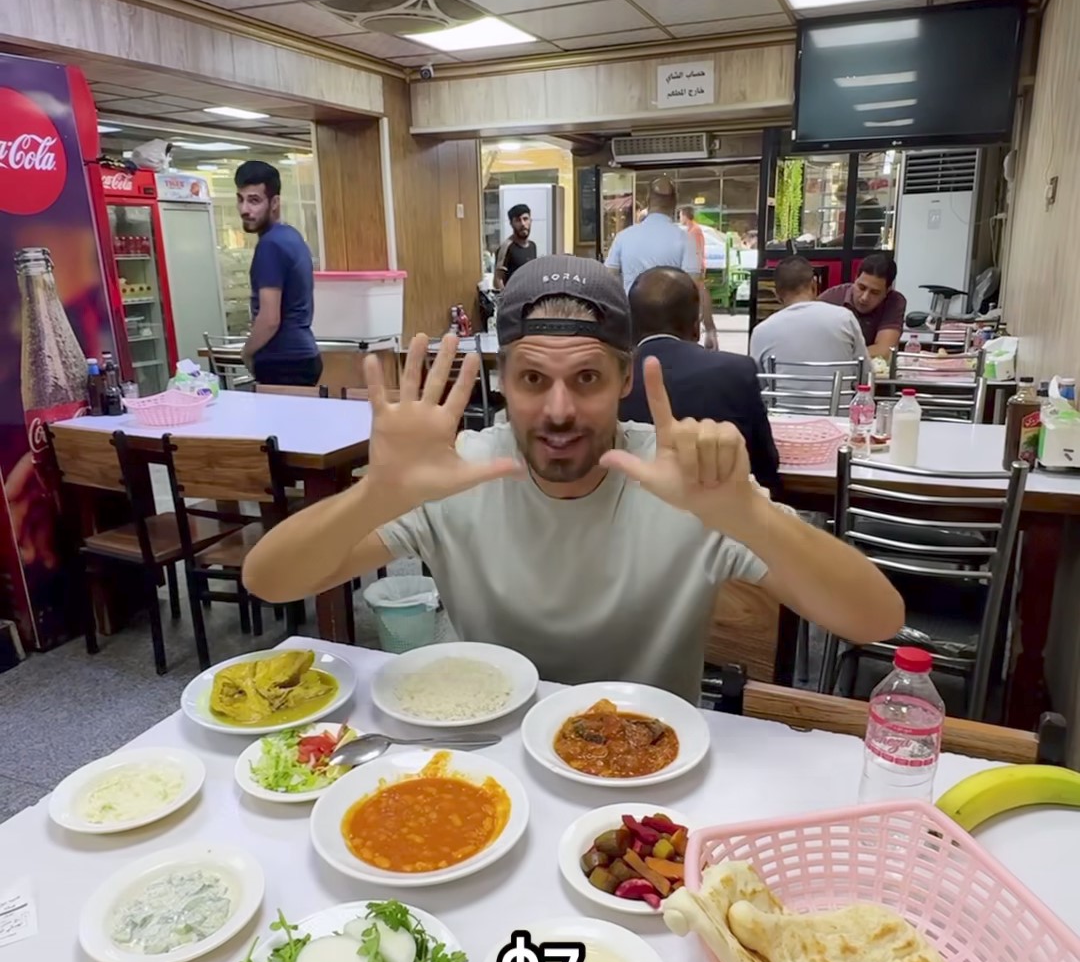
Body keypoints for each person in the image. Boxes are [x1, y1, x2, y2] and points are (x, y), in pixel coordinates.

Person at [243, 255, 902, 702]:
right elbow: (271, 581)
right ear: (503, 384)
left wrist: (747, 516)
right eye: (533, 379)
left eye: (586, 378)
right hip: (479, 753)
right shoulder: (460, 471)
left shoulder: (683, 482)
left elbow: (874, 619)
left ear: (624, 380)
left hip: (640, 779)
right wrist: (375, 495)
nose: (558, 410)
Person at [623, 267, 781, 498]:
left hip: (633, 515)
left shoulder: (610, 378)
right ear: (696, 327)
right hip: (724, 519)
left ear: (630, 327)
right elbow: (765, 464)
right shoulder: (736, 371)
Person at [234, 160, 321, 387]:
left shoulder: (270, 245)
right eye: (240, 199)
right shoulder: (291, 236)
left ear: (274, 202)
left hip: (283, 361)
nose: (245, 209)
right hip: (303, 356)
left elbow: (270, 319)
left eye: (254, 200)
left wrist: (247, 352)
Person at [607, 177, 718, 349]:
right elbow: (696, 286)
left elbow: (609, 280)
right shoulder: (684, 239)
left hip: (634, 324)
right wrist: (710, 329)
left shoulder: (624, 237)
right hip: (673, 327)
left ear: (647, 202)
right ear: (674, 204)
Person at [750, 257, 867, 370]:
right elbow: (865, 375)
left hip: (784, 390)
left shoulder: (761, 331)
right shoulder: (845, 318)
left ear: (777, 295)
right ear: (814, 286)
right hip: (836, 390)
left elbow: (758, 382)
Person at [820, 252, 908, 360]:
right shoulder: (830, 298)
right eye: (861, 287)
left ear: (887, 291)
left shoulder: (894, 301)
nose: (864, 298)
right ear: (855, 278)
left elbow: (884, 350)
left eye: (875, 292)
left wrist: (841, 356)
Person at [494, 204, 536, 290]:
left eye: (525, 219)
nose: (523, 224)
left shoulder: (532, 246)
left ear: (530, 221)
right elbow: (498, 280)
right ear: (511, 224)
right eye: (518, 220)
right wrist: (506, 299)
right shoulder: (506, 247)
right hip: (513, 300)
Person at [678, 204, 708, 273]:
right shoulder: (690, 230)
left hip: (694, 269)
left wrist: (701, 266)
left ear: (685, 216)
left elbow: (699, 250)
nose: (680, 219)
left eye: (680, 216)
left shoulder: (695, 230)